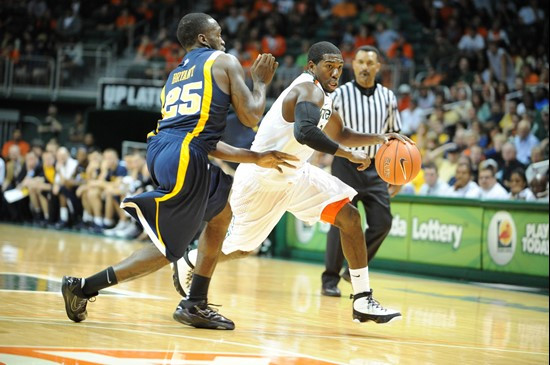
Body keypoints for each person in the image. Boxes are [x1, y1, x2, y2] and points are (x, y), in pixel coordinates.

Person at [60, 13, 293, 330]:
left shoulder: (176, 76)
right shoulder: (223, 61)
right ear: (203, 38)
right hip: (185, 153)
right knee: (168, 250)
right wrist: (261, 82)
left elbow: (202, 140)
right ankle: (83, 288)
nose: (222, 37)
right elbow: (252, 116)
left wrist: (255, 158)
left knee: (221, 212)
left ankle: (196, 301)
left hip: (168, 149)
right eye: (217, 31)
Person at [175, 41, 409, 328]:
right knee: (240, 248)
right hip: (264, 178)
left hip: (296, 175)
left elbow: (343, 133)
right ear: (311, 67)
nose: (336, 73)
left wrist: (380, 138)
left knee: (349, 217)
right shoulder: (307, 89)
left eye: (338, 67)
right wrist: (346, 154)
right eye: (329, 67)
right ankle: (188, 261)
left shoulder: (324, 94)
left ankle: (362, 298)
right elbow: (306, 132)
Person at [321, 45, 403, 297]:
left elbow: (396, 136)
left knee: (383, 222)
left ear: (378, 67)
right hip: (346, 164)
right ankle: (330, 279)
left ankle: (352, 267)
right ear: (353, 65)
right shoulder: (340, 94)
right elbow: (326, 128)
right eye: (361, 62)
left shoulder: (388, 97)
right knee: (340, 222)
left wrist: (399, 175)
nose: (365, 67)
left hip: (376, 167)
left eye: (370, 63)